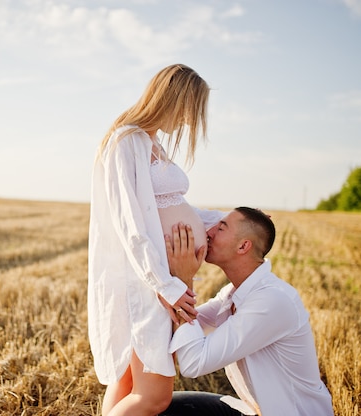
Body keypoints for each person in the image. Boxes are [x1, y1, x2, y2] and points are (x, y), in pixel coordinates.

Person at [88, 63, 224, 416]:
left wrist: (231, 218)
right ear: (174, 99)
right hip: (145, 284)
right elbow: (129, 223)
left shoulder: (152, 144)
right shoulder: (126, 141)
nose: (191, 122)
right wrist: (165, 285)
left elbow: (173, 206)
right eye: (191, 111)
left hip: (156, 280)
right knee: (154, 397)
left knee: (128, 385)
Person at [160, 207, 334, 416]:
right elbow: (187, 323)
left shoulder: (272, 301)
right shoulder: (234, 293)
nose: (209, 232)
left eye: (221, 228)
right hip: (254, 411)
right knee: (161, 406)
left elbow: (193, 363)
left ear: (243, 246)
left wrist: (183, 281)